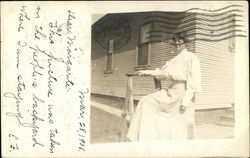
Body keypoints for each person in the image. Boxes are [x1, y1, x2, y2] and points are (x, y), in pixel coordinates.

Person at [126, 32, 202, 141]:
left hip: (183, 94)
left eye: (179, 41)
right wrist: (143, 72)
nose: (177, 44)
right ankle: (145, 138)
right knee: (146, 101)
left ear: (186, 44)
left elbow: (194, 81)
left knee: (178, 121)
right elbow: (161, 73)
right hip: (171, 91)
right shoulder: (173, 60)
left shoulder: (191, 57)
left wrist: (185, 101)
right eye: (175, 41)